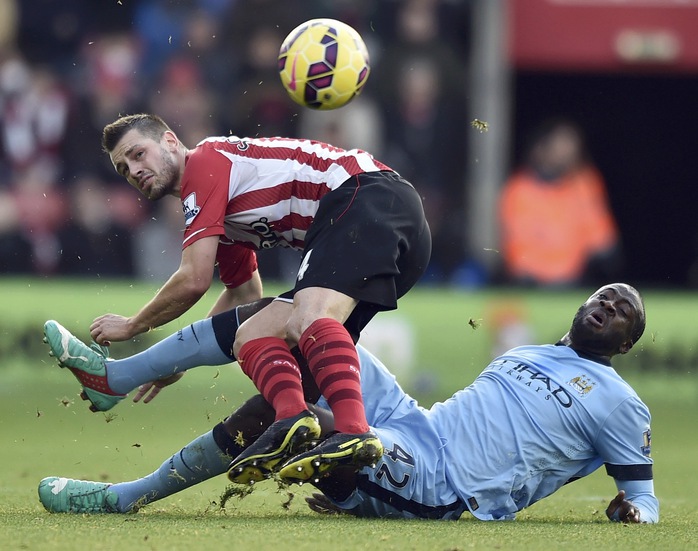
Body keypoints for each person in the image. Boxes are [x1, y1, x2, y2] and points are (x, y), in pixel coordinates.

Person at [39, 283, 658, 523]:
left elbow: (645, 499)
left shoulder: (618, 403)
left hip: (439, 483)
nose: (607, 306)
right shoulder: (532, 353)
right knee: (303, 318)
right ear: (581, 307)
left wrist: (633, 514)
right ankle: (116, 379)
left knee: (296, 421)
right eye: (605, 297)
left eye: (622, 311)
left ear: (626, 343)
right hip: (416, 422)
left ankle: (128, 497)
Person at [76, 113, 431, 484]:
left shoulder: (205, 163)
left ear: (168, 141)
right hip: (395, 234)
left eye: (137, 154)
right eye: (123, 168)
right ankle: (293, 417)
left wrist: (133, 326)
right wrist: (179, 362)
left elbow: (194, 280)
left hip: (366, 193)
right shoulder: (221, 215)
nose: (133, 170)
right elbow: (245, 293)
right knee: (252, 333)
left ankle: (354, 432)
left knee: (307, 318)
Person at [498, 118, 621, 287]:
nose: (567, 153)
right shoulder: (520, 189)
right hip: (531, 282)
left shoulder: (584, 184)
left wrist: (606, 254)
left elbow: (600, 234)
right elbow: (518, 245)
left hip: (574, 281)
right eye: (561, 146)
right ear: (541, 149)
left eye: (572, 147)